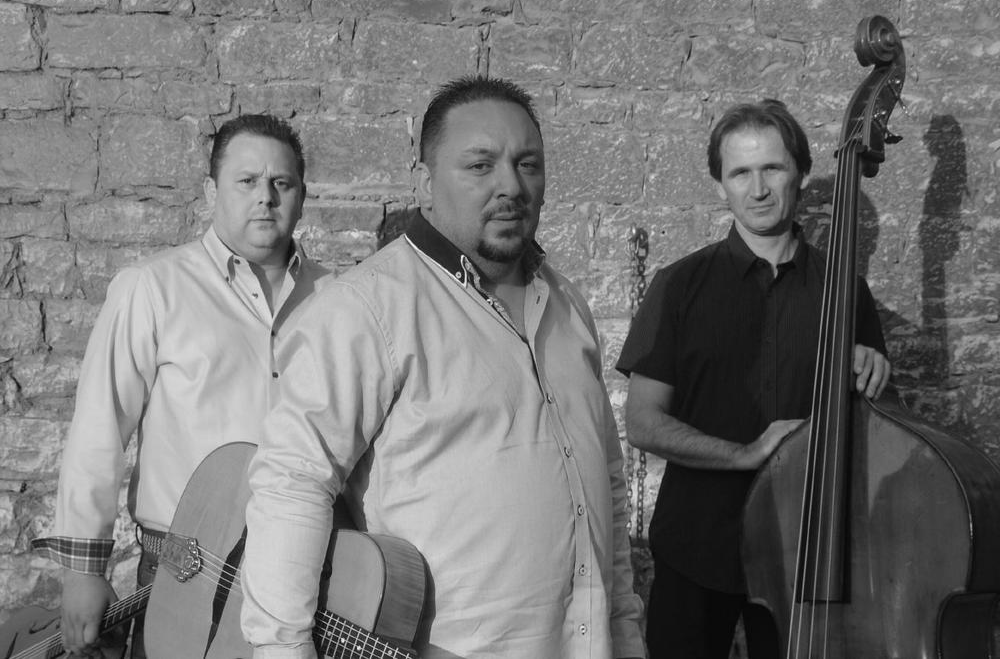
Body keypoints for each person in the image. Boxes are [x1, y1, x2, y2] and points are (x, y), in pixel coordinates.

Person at [240, 75, 646, 659]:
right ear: (425, 185)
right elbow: (292, 485)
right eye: (480, 165)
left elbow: (605, 482)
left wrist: (625, 632)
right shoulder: (366, 310)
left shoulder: (568, 307)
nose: (511, 185)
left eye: (527, 164)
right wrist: (282, 649)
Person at [31, 114, 331, 658]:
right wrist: (84, 571)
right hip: (184, 572)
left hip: (308, 576)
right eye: (247, 181)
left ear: (302, 196)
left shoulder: (338, 301)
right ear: (211, 191)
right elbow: (100, 427)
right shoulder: (152, 288)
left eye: (281, 183)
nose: (265, 197)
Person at [616, 99, 891, 659]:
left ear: (801, 173)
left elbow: (875, 434)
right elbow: (643, 423)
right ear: (721, 184)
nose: (758, 188)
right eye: (740, 172)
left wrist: (873, 375)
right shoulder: (678, 285)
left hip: (808, 555)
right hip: (697, 545)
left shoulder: (845, 291)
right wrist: (745, 454)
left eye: (773, 168)